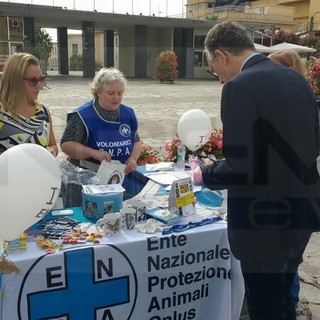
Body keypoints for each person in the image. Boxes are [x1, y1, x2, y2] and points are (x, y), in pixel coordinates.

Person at [201, 21, 320, 319]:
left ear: (221, 55)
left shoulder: (239, 87)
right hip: (300, 213)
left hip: (262, 223)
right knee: (283, 300)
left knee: (266, 305)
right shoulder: (298, 81)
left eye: (215, 70)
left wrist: (208, 172)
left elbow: (242, 166)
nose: (219, 80)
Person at [60, 67, 142, 208]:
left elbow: (136, 142)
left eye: (120, 93)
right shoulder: (82, 115)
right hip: (86, 183)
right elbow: (66, 145)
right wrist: (93, 153)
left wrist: (133, 158)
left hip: (119, 181)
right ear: (98, 92)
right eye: (110, 93)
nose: (116, 98)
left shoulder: (128, 114)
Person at [268, 49, 307, 313]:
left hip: (285, 195)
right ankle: (290, 304)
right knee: (291, 259)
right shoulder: (305, 102)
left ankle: (287, 304)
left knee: (283, 261)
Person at [0, 52, 58, 157]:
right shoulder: (2, 114)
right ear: (15, 81)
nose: (39, 86)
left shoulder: (43, 112)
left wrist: (52, 151)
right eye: (33, 81)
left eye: (41, 79)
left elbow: (53, 144)